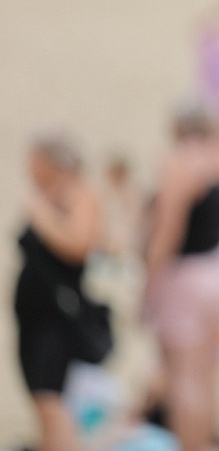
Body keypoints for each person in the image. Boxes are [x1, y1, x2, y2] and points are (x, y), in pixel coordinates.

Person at [140, 101, 219, 451]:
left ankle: (191, 444)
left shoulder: (182, 164)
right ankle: (208, 440)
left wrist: (148, 287)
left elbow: (167, 231)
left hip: (186, 276)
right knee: (207, 372)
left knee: (184, 377)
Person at [14, 129, 104, 451]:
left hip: (58, 318)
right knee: (43, 401)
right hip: (37, 319)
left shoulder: (79, 193)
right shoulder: (48, 194)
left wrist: (41, 214)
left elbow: (79, 244)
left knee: (54, 402)